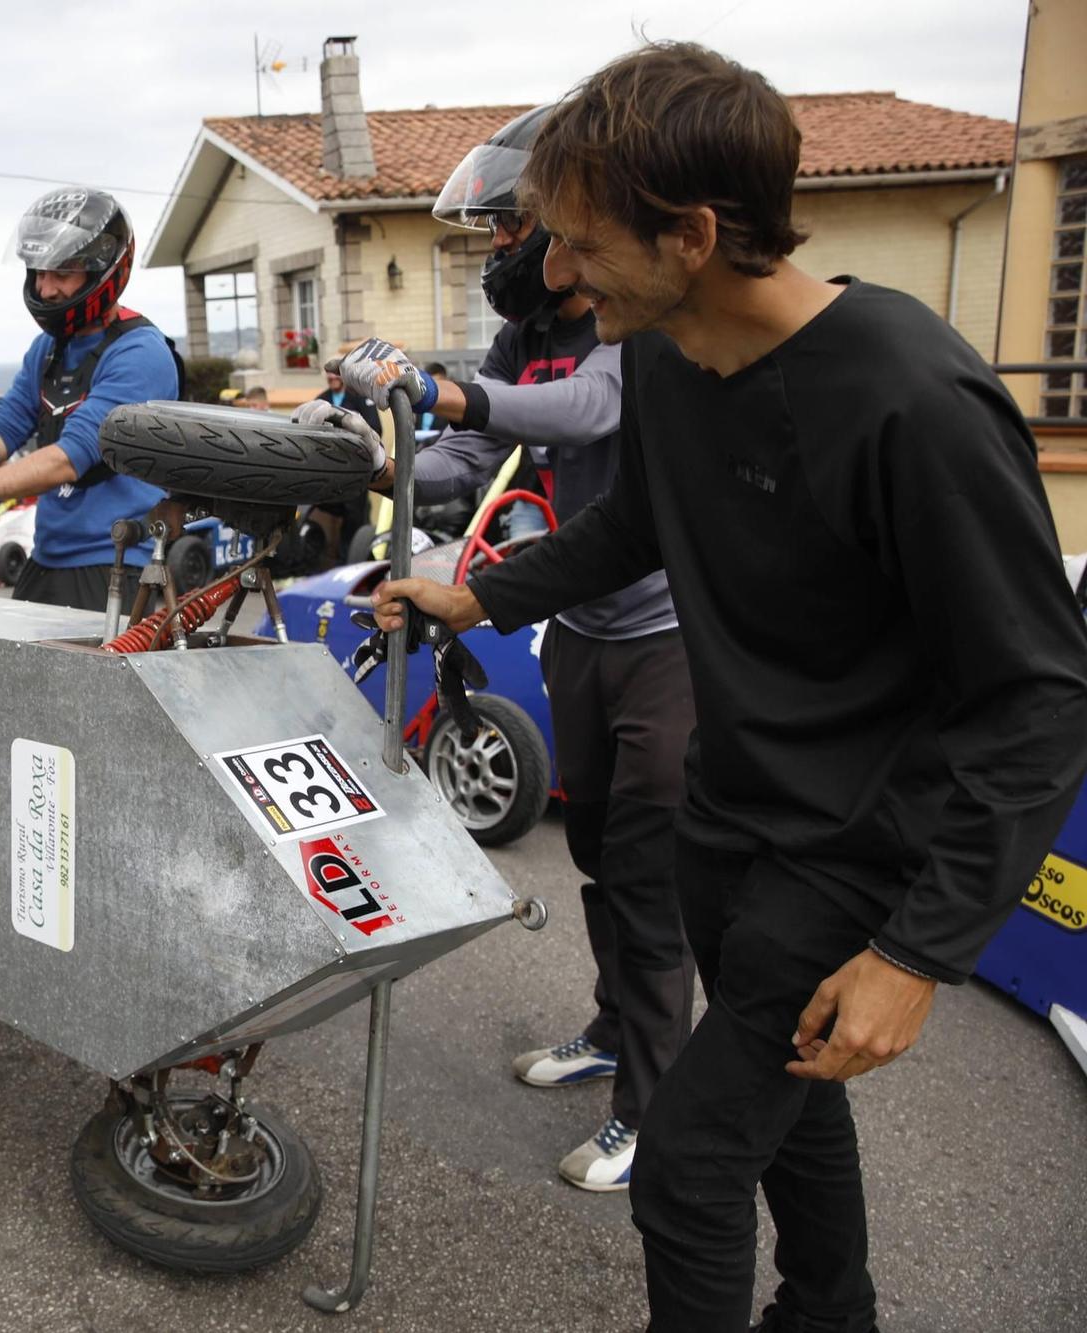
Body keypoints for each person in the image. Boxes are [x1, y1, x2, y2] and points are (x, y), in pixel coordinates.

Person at [362, 43, 1087, 1331]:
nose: (558, 273)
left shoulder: (909, 398)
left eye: (580, 243)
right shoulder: (659, 350)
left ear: (692, 233)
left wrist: (915, 953)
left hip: (853, 854)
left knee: (690, 1169)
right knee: (788, 1113)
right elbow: (636, 519)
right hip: (729, 816)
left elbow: (1038, 696)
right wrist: (478, 593)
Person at [317, 102, 699, 1195]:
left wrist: (436, 389)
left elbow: (582, 412)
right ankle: (612, 1029)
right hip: (579, 625)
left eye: (504, 229)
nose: (495, 249)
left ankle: (652, 1108)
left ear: (563, 225)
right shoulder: (528, 331)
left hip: (668, 639)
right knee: (595, 858)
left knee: (650, 879)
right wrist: (383, 456)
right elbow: (473, 449)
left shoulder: (634, 320)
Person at [0, 187, 177, 612]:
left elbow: (66, 460)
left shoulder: (140, 354)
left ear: (104, 272)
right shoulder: (49, 348)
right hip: (48, 556)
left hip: (115, 563)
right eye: (39, 273)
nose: (46, 289)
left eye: (62, 273)